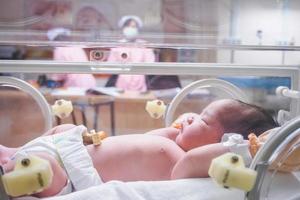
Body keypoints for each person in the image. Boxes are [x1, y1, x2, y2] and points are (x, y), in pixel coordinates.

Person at [0, 99, 278, 198]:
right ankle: (12, 155)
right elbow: (150, 137)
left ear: (223, 143)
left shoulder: (183, 162)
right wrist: (180, 128)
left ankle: (11, 175)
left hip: (68, 173)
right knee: (52, 135)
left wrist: (240, 148)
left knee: (40, 170)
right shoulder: (169, 142)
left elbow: (201, 159)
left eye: (203, 120)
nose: (191, 116)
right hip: (66, 143)